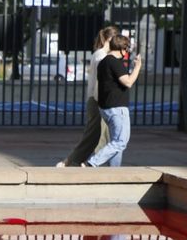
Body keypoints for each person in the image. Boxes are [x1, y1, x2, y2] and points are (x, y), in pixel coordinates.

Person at [57, 26, 118, 167]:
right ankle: (82, 162)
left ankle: (75, 161)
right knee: (100, 136)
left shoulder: (99, 55)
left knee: (95, 136)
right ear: (109, 39)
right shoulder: (102, 56)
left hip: (96, 99)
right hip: (98, 100)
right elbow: (101, 81)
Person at [84, 34, 141, 168]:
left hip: (107, 107)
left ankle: (115, 171)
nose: (127, 53)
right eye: (127, 49)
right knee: (121, 141)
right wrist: (137, 67)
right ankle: (93, 162)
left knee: (116, 142)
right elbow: (128, 82)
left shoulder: (104, 61)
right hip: (117, 108)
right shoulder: (114, 62)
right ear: (122, 48)